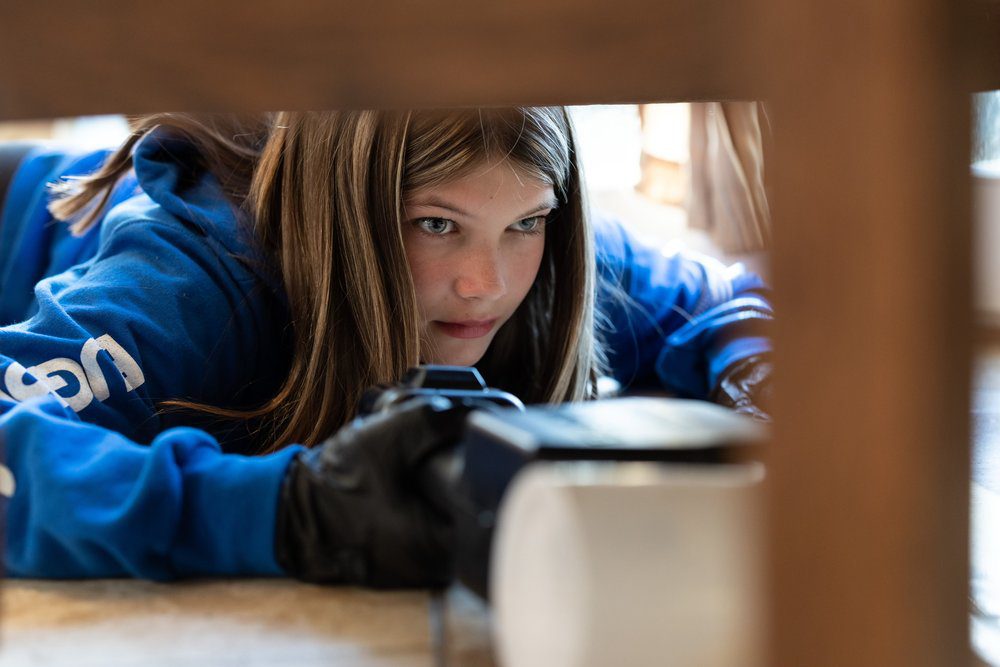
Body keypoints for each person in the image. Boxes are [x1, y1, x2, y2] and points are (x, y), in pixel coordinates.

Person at [0, 108, 772, 586]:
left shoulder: (547, 252)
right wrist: (292, 512)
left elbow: (732, 300)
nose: (486, 283)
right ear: (350, 214)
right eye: (435, 224)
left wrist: (761, 379)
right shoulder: (195, 283)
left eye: (526, 223)